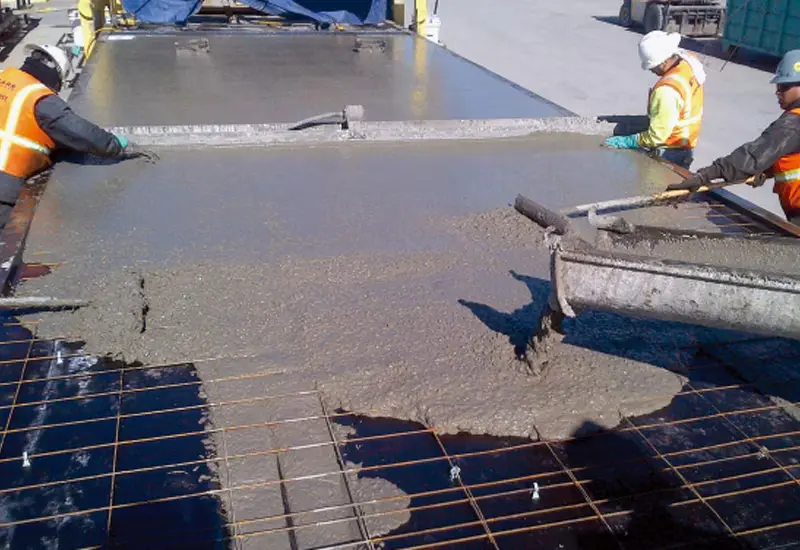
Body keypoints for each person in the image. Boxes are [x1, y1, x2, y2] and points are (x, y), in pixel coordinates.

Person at [0, 44, 149, 227]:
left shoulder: (5, 77)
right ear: (54, 74)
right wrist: (117, 145)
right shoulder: (39, 97)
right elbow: (80, 132)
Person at [668, 50, 800, 225]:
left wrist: (705, 175)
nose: (777, 93)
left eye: (783, 87)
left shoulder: (792, 124)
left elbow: (752, 156)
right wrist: (768, 169)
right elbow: (789, 152)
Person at [604, 31, 706, 169]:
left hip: (669, 150)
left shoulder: (667, 91)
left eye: (652, 67)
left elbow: (657, 137)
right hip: (686, 143)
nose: (651, 71)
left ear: (663, 62)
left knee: (655, 185)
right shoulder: (689, 62)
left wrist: (628, 141)